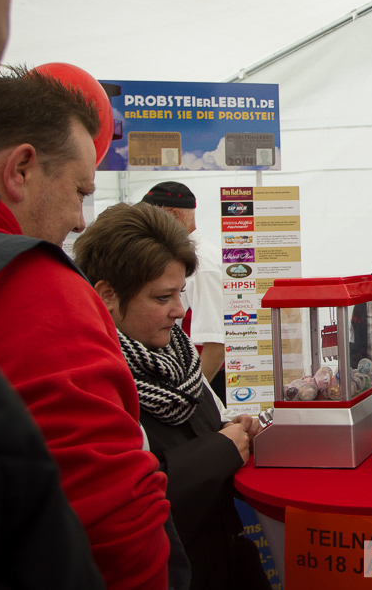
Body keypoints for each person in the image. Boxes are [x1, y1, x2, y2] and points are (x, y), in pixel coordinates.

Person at [0, 67, 172, 589]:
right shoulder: (29, 283)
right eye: (79, 191)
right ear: (21, 169)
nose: (80, 221)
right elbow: (109, 511)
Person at [75, 202, 269, 590]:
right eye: (163, 298)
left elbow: (205, 429)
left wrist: (235, 429)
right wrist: (221, 449)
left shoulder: (179, 357)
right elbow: (122, 502)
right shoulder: (87, 379)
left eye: (180, 293)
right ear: (107, 294)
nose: (180, 311)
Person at [141, 181, 227, 403]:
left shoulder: (202, 263)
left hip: (207, 379)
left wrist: (192, 398)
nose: (146, 226)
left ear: (174, 215)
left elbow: (216, 343)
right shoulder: (183, 256)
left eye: (152, 218)